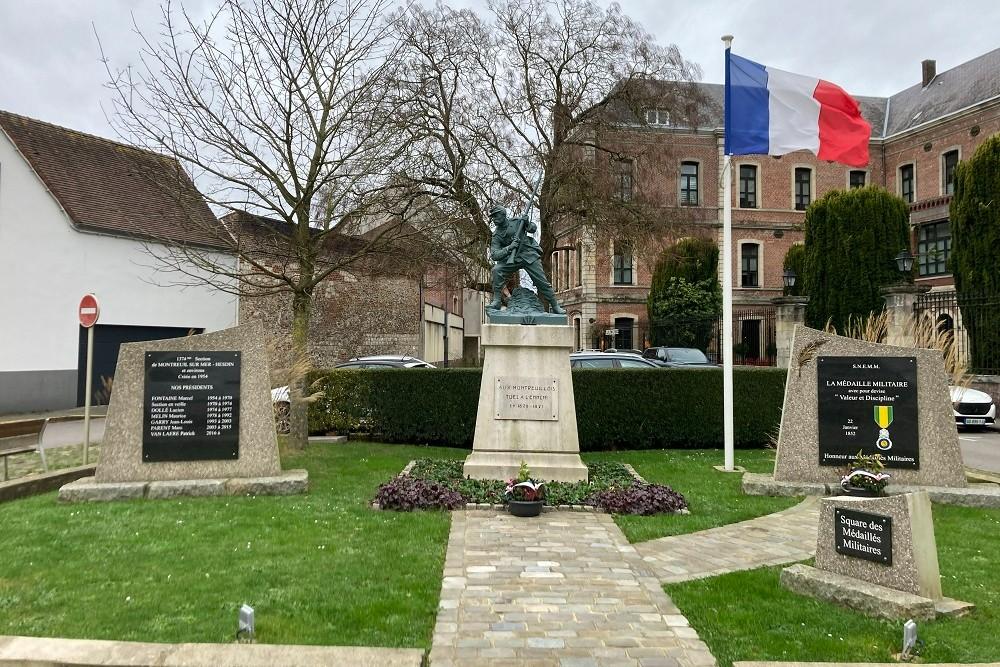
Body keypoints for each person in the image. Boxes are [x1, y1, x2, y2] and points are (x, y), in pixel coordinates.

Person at [487, 204, 565, 314]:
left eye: (496, 216)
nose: (494, 219)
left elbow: (532, 229)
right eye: (493, 217)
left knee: (541, 281)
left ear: (503, 215)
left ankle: (555, 305)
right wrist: (509, 248)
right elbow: (495, 255)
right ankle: (496, 301)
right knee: (496, 270)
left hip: (528, 255)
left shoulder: (517, 221)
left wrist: (527, 222)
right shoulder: (496, 235)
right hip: (512, 258)